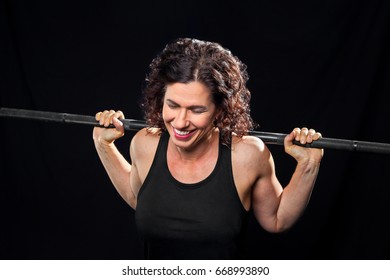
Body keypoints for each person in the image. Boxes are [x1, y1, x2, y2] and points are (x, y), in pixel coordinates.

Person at [93, 38, 324, 259]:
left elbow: (276, 219)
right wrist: (104, 146)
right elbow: (140, 199)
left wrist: (308, 165)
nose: (180, 121)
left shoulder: (247, 154)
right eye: (172, 105)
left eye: (196, 110)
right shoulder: (145, 143)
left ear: (220, 110)